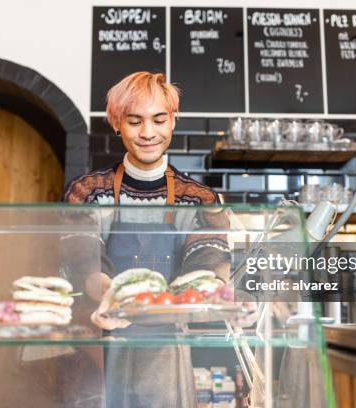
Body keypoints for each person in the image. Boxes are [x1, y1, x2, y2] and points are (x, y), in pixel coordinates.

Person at [61, 72, 233, 408]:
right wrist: (110, 294)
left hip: (166, 353)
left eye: (158, 120)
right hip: (99, 345)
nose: (148, 133)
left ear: (173, 121)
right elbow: (81, 253)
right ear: (116, 123)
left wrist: (202, 287)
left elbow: (209, 256)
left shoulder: (197, 197)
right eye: (135, 121)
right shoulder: (87, 191)